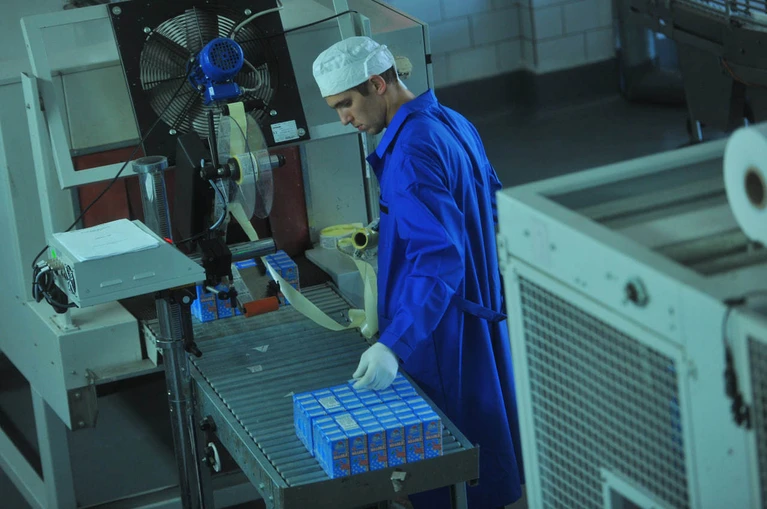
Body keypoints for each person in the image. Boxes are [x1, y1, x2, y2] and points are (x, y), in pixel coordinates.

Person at [312, 36, 524, 509]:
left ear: (377, 84)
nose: (344, 119)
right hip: (480, 309)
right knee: (488, 444)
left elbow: (438, 259)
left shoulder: (407, 153)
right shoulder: (451, 121)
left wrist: (395, 343)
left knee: (448, 467)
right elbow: (489, 210)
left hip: (438, 328)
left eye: (346, 104)